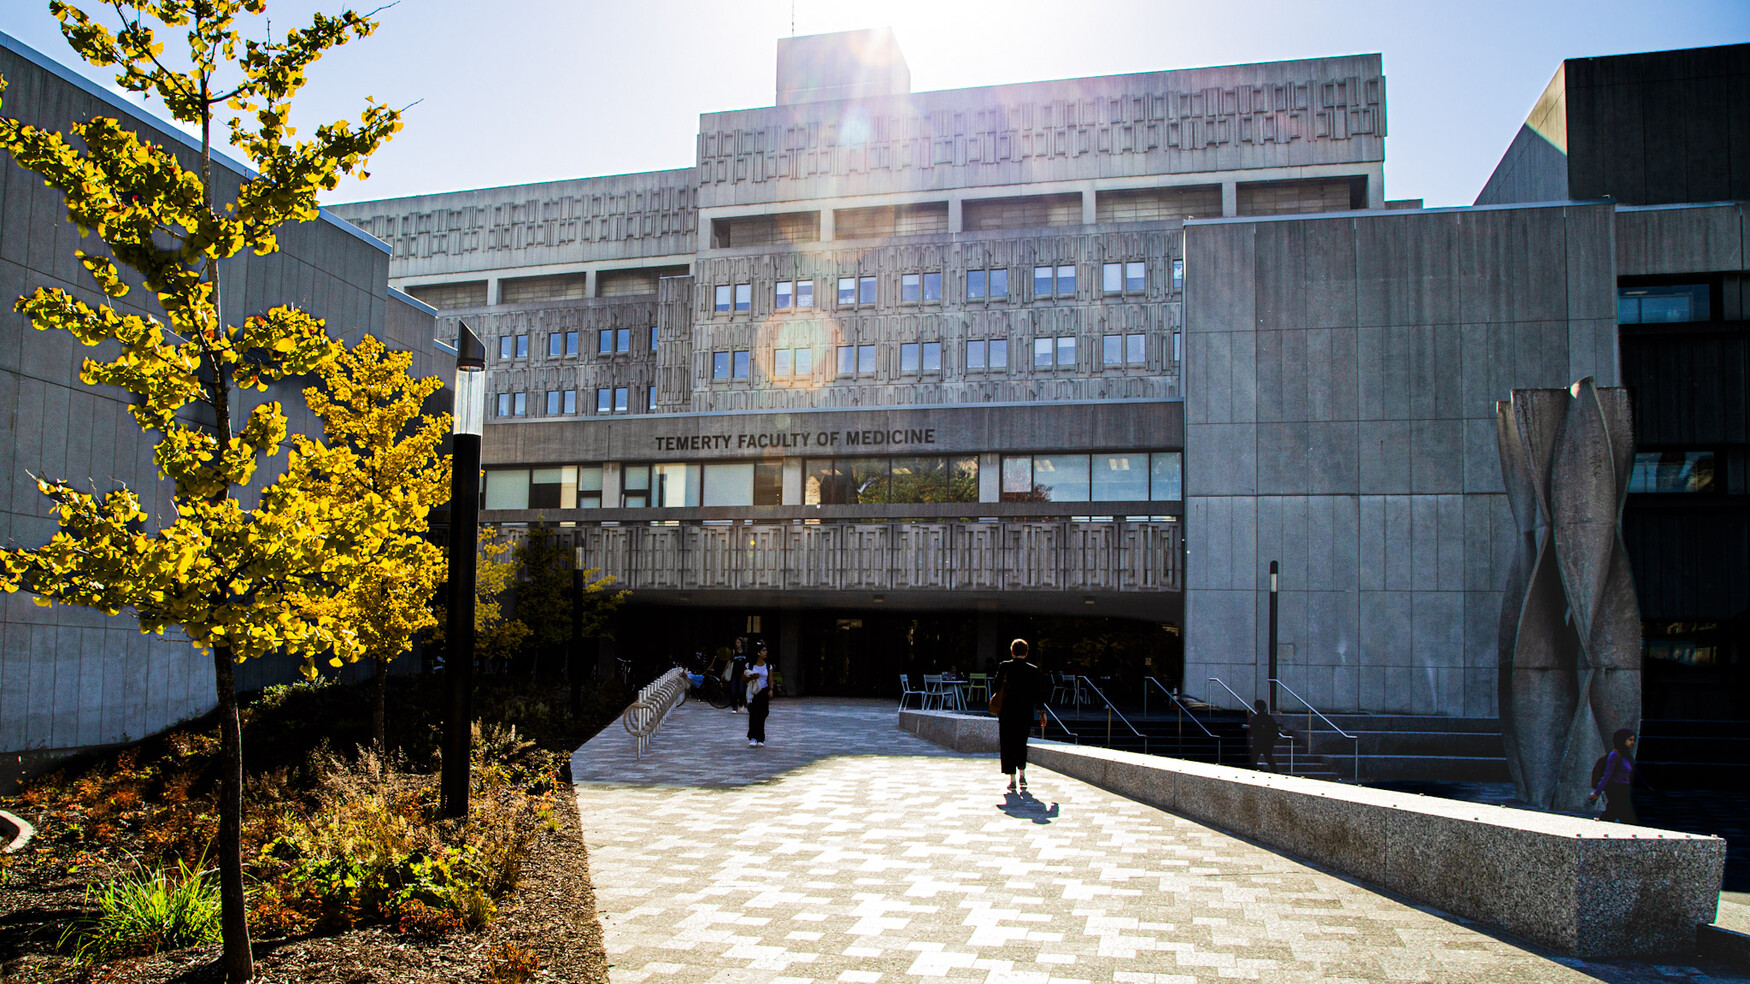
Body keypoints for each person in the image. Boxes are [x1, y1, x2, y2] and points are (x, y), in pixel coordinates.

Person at [991, 639, 1046, 792]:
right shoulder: (1033, 670)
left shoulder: (1005, 666)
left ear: (1012, 651)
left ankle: (1012, 779)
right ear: (1027, 652)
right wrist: (1042, 712)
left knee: (1007, 743)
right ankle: (1022, 773)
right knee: (1021, 742)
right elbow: (1038, 693)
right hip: (1025, 712)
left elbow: (995, 686)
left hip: (1008, 711)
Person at [1589, 727, 1649, 823]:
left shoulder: (1627, 755)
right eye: (1630, 740)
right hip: (1615, 788)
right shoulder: (1615, 755)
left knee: (1615, 812)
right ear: (1622, 739)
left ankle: (1602, 826)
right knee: (1624, 814)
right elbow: (1607, 775)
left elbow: (1635, 773)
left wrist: (1647, 787)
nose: (1632, 743)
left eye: (1633, 740)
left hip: (1624, 788)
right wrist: (1597, 792)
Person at [744, 645, 772, 747]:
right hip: (753, 692)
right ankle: (753, 737)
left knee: (763, 714)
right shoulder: (750, 665)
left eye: (766, 650)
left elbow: (770, 678)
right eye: (763, 650)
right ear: (758, 653)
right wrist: (752, 676)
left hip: (764, 691)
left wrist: (771, 689)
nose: (766, 652)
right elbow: (743, 678)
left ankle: (761, 737)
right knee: (753, 714)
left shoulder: (768, 665)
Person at [1247, 699, 1279, 772]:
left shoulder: (1255, 718)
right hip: (1268, 741)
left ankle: (1253, 771)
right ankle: (1275, 770)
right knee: (1268, 756)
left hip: (1258, 740)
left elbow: (1253, 730)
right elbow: (1275, 729)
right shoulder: (1269, 718)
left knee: (1254, 758)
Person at [729, 636, 748, 713]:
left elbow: (748, 663)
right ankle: (734, 707)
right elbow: (729, 662)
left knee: (741, 690)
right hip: (734, 674)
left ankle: (741, 703)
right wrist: (724, 672)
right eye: (736, 642)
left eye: (738, 642)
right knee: (733, 690)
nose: (737, 644)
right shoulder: (733, 652)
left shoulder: (745, 652)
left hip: (742, 674)